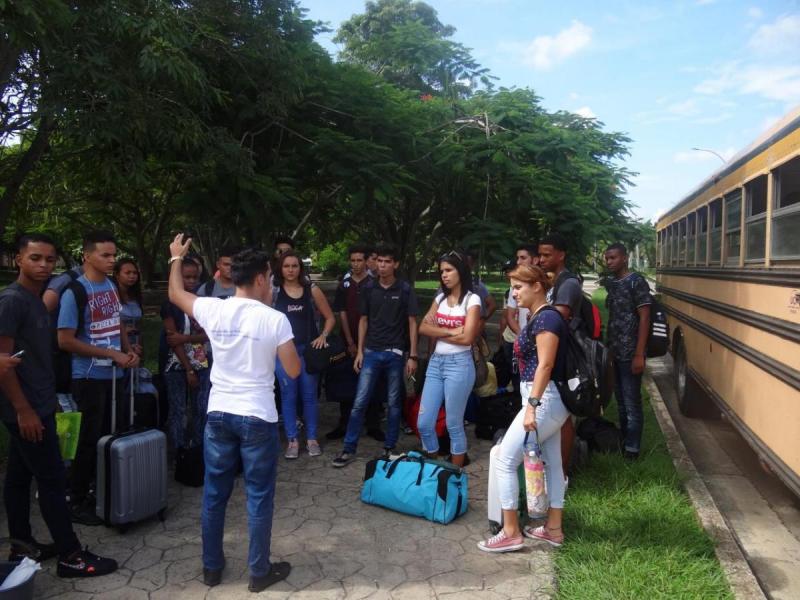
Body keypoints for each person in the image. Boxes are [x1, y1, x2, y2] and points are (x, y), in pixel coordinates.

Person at [167, 234, 300, 592]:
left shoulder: (214, 307)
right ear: (260, 278)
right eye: (270, 278)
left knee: (214, 493)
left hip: (219, 414)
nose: (271, 283)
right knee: (258, 495)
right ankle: (258, 572)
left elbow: (176, 295)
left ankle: (212, 568)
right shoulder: (274, 320)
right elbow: (292, 370)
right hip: (257, 416)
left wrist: (175, 259)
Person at [0, 233, 118, 576]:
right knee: (52, 480)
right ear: (19, 259)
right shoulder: (12, 302)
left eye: (49, 260)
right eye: (35, 258)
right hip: (25, 410)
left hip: (38, 402)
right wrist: (24, 410)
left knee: (20, 478)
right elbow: (3, 362)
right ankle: (70, 555)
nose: (43, 265)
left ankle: (23, 545)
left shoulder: (37, 299)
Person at [479, 265, 569, 552]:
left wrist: (531, 407)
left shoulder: (547, 320)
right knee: (553, 464)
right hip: (547, 399)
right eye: (512, 287)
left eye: (518, 287)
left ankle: (510, 532)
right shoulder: (540, 318)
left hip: (542, 399)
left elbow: (545, 364)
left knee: (505, 460)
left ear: (537, 287)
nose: (513, 293)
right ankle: (553, 529)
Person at [57, 231, 139, 525]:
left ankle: (98, 490)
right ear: (87, 255)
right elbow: (65, 340)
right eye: (105, 255)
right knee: (87, 441)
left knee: (108, 435)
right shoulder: (74, 292)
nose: (111, 260)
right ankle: (76, 500)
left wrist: (127, 351)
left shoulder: (110, 286)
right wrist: (110, 355)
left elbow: (116, 323)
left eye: (113, 255)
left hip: (114, 375)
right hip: (88, 376)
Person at [332, 245, 419, 467]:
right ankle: (348, 448)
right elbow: (363, 320)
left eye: (387, 261)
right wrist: (359, 350)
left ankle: (389, 448)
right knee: (359, 401)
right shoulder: (369, 288)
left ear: (396, 264)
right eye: (379, 261)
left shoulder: (405, 289)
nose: (382, 265)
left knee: (393, 403)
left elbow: (411, 322)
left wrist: (413, 355)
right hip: (371, 351)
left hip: (395, 353)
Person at [417, 251, 481, 467]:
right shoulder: (440, 299)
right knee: (424, 423)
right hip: (436, 363)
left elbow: (468, 338)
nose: (444, 275)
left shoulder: (473, 300)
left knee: (454, 424)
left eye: (448, 270)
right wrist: (452, 331)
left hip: (460, 365)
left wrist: (439, 330)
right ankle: (434, 466)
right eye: (441, 271)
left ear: (460, 271)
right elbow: (423, 327)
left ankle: (453, 473)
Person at [272, 251, 335, 458]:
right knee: (288, 395)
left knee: (309, 396)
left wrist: (323, 336)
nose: (291, 270)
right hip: (283, 351)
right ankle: (292, 440)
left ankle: (311, 438)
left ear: (300, 268)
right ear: (280, 269)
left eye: (295, 266)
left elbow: (330, 318)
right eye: (286, 266)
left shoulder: (311, 290)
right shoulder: (274, 292)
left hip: (308, 351)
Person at [538, 233, 582, 478]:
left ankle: (562, 474)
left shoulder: (568, 284)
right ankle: (551, 469)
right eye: (540, 254)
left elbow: (555, 319)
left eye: (547, 254)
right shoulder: (552, 282)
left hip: (565, 358)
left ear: (561, 255)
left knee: (564, 416)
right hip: (552, 354)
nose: (541, 259)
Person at [328, 245, 383, 441]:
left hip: (371, 340)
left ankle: (373, 424)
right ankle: (344, 423)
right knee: (345, 381)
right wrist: (350, 340)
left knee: (373, 381)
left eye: (360, 260)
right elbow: (341, 312)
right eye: (353, 260)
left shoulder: (374, 283)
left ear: (367, 261)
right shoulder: (345, 284)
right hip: (347, 339)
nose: (356, 264)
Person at [604, 243, 651, 460]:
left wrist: (639, 354)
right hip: (614, 351)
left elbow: (644, 317)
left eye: (613, 257)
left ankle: (633, 450)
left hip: (631, 352)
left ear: (624, 258)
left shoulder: (636, 282)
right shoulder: (612, 283)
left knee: (632, 401)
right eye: (607, 258)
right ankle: (624, 440)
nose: (609, 261)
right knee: (620, 400)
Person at [161, 258, 211, 449]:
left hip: (200, 359)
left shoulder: (201, 303)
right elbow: (173, 340)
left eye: (194, 277)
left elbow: (207, 335)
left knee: (202, 406)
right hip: (176, 363)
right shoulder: (169, 305)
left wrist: (186, 339)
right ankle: (178, 450)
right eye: (186, 277)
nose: (191, 281)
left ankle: (199, 446)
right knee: (178, 408)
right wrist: (188, 369)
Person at [503, 245, 538, 393]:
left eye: (523, 258)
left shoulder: (543, 284)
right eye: (517, 258)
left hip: (541, 343)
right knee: (520, 383)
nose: (518, 261)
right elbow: (510, 316)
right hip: (523, 341)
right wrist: (522, 335)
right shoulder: (514, 285)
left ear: (535, 260)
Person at [113, 258, 143, 357]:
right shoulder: (111, 295)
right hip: (116, 346)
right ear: (117, 275)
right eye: (127, 273)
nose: (132, 276)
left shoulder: (135, 297)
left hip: (135, 345)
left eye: (135, 273)